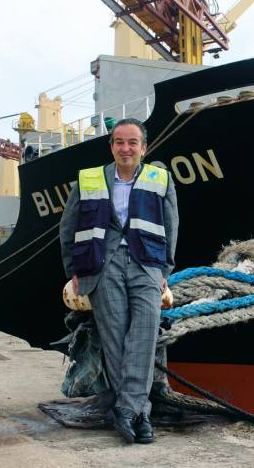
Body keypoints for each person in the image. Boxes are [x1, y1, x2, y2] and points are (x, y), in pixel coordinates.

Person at [60, 118, 178, 444]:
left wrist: (165, 271)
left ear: (144, 147)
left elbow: (171, 226)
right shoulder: (88, 180)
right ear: (111, 146)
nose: (125, 148)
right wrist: (74, 267)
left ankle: (129, 410)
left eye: (132, 142)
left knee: (144, 332)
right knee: (115, 340)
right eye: (119, 142)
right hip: (102, 265)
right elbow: (67, 228)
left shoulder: (161, 179)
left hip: (146, 265)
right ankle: (138, 416)